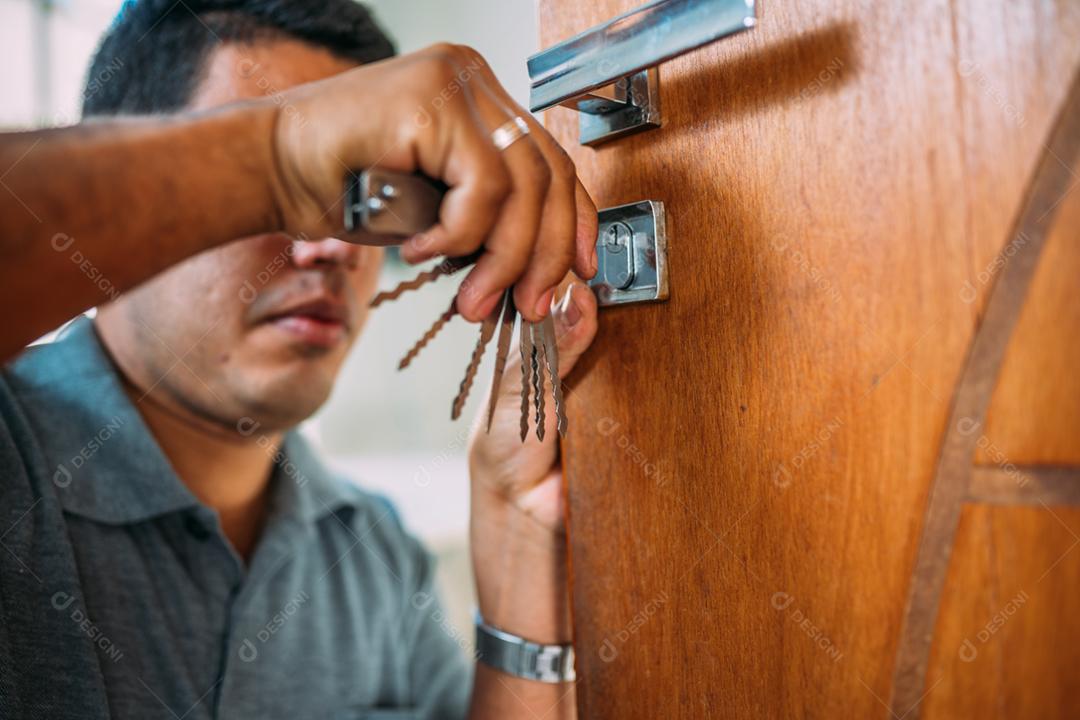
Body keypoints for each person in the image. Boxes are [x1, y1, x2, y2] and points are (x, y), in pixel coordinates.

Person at [0, 1, 599, 718]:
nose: (335, 245)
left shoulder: (371, 552)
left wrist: (518, 535)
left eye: (369, 197)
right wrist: (276, 157)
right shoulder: (15, 460)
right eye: (289, 194)